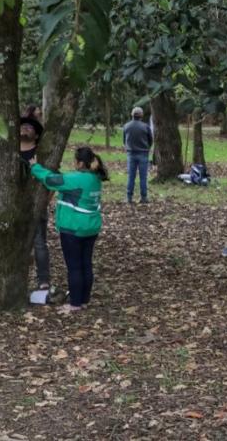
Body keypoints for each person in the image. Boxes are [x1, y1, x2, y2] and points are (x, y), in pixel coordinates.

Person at [28, 147, 108, 313]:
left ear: (79, 163)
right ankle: (84, 300)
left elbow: (51, 180)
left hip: (73, 228)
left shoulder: (76, 179)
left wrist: (35, 166)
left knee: (74, 267)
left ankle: (75, 304)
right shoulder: (95, 178)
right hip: (90, 228)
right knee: (86, 264)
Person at [19, 115, 52, 290]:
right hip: (13, 204)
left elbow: (53, 179)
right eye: (23, 126)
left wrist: (45, 201)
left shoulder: (41, 153)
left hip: (35, 203)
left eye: (30, 127)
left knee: (39, 242)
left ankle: (43, 279)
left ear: (37, 135)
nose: (25, 128)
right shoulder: (9, 151)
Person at [123, 106, 153, 204]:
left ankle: (129, 197)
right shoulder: (145, 126)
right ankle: (144, 197)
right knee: (143, 177)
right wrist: (146, 147)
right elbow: (150, 140)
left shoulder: (126, 126)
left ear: (132, 115)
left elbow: (124, 140)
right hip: (143, 153)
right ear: (141, 115)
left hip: (131, 154)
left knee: (131, 176)